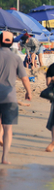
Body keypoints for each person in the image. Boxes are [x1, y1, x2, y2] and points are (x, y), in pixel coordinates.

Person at [0, 31, 32, 165]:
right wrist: (28, 92)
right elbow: (24, 77)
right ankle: (5, 158)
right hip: (9, 96)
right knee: (8, 128)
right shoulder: (16, 58)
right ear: (12, 42)